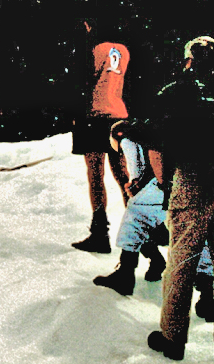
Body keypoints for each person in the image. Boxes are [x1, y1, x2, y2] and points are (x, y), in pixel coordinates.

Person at [130, 36, 214, 363]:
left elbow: (154, 146)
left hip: (191, 182)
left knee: (180, 264)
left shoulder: (173, 94)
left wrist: (168, 185)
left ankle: (173, 338)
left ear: (189, 60)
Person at [93, 131, 214, 326]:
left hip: (162, 182)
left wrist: (139, 185)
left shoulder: (130, 137)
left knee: (136, 218)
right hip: (198, 180)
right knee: (198, 234)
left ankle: (126, 274)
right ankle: (208, 295)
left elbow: (144, 160)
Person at [70, 19, 131, 253]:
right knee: (122, 173)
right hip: (117, 114)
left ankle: (99, 234)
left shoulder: (93, 49)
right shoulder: (122, 50)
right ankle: (142, 227)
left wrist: (76, 115)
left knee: (96, 175)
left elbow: (83, 84)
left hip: (93, 116)